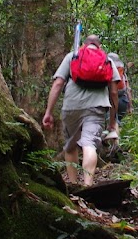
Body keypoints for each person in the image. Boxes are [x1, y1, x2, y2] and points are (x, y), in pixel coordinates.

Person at [42, 35, 121, 186]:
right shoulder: (107, 61)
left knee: (70, 147)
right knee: (89, 144)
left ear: (84, 45)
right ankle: (87, 184)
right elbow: (114, 93)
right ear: (99, 46)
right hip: (96, 107)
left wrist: (48, 112)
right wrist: (112, 120)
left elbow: (58, 84)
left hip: (72, 107)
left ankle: (72, 184)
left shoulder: (72, 56)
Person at [107, 52, 132, 123]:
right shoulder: (122, 72)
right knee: (117, 123)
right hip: (122, 101)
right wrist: (130, 107)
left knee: (110, 124)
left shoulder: (105, 70)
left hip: (109, 101)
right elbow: (128, 90)